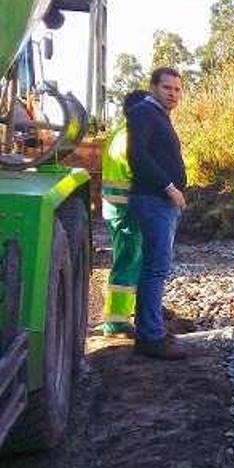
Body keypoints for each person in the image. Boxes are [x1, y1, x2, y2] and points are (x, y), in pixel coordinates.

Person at [127, 67, 188, 360]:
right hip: (154, 200)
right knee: (156, 268)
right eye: (167, 88)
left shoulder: (158, 115)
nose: (173, 94)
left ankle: (149, 332)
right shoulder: (144, 113)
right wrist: (168, 187)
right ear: (153, 87)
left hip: (161, 201)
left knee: (155, 267)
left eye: (177, 89)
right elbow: (137, 155)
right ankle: (151, 337)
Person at [100, 89, 149, 338]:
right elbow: (139, 169)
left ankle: (128, 312)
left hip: (119, 207)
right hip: (126, 209)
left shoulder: (120, 131)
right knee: (128, 261)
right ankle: (116, 322)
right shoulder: (129, 137)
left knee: (131, 260)